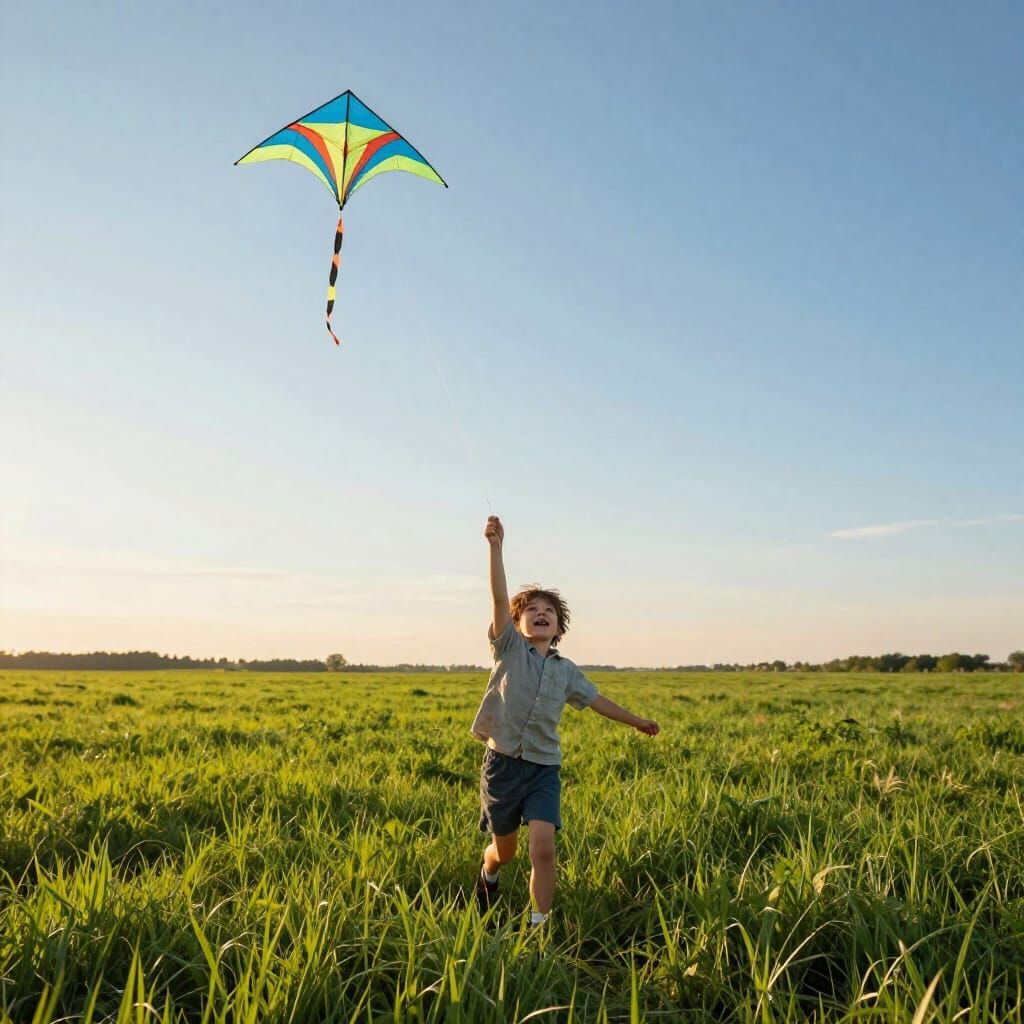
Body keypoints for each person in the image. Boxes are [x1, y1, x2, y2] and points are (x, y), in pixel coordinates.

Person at [471, 515, 660, 929]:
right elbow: (501, 601)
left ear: (558, 626)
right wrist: (496, 548)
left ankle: (538, 927)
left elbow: (597, 701)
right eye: (533, 610)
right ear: (517, 624)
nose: (541, 614)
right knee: (506, 851)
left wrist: (636, 721)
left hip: (543, 769)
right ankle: (489, 873)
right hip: (502, 766)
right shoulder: (508, 649)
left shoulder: (567, 670)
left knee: (544, 848)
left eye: (549, 611)